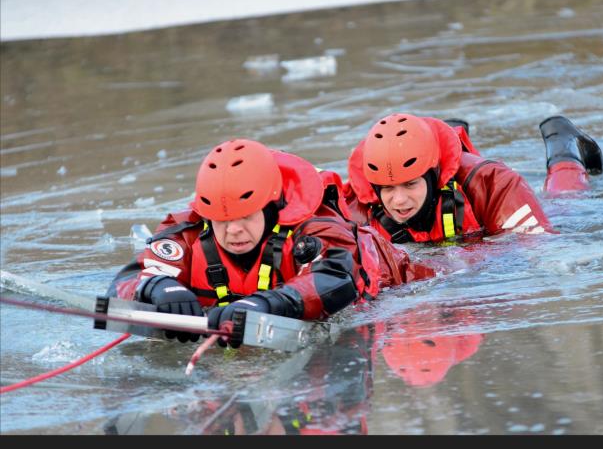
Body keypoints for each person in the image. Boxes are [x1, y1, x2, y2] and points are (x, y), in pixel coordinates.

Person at [106, 139, 435, 346]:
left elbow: (336, 279)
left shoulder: (317, 227)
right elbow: (123, 283)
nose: (234, 230)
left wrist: (268, 304)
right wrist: (158, 287)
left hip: (398, 276)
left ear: (270, 208)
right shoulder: (188, 231)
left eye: (245, 217)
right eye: (223, 221)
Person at [344, 113, 603, 244]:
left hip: (483, 207)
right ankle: (453, 131)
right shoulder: (356, 205)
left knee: (567, 206)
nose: (399, 200)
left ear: (434, 175)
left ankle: (563, 143)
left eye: (411, 184)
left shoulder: (494, 182)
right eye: (387, 189)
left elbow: (539, 248)